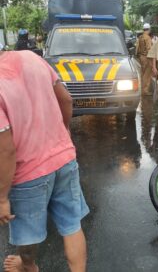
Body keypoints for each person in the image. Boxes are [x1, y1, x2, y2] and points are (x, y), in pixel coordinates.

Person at [0, 49, 89, 272]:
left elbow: (6, 150)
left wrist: (2, 198)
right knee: (72, 225)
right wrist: (65, 130)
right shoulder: (32, 58)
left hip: (27, 173)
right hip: (64, 159)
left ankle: (29, 267)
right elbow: (66, 99)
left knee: (27, 234)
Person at [137, 23, 153, 95]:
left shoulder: (140, 37)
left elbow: (137, 48)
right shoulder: (148, 38)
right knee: (147, 74)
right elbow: (149, 49)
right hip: (147, 57)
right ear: (149, 29)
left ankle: (140, 88)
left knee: (142, 74)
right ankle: (145, 90)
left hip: (141, 57)